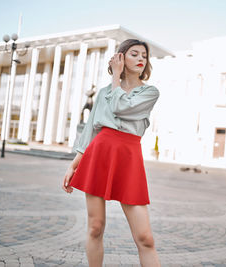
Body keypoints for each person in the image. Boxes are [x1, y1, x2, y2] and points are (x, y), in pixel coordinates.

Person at [62, 39, 161, 267]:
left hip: (129, 157)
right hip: (99, 153)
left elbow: (121, 107)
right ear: (120, 58)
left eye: (143, 56)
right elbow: (91, 130)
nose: (140, 59)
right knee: (95, 227)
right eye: (134, 54)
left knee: (145, 238)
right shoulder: (104, 92)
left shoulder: (149, 92)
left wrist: (116, 78)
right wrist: (74, 165)